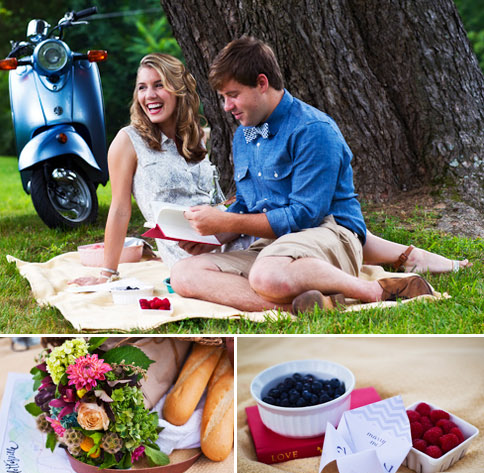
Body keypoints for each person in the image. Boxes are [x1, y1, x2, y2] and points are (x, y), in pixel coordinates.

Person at [170, 36, 467, 313]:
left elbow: (305, 215)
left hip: (329, 233)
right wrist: (216, 232)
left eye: (232, 95)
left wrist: (228, 220)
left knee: (267, 274)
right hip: (274, 248)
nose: (227, 107)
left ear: (262, 83)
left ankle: (374, 291)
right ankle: (305, 305)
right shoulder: (244, 136)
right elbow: (248, 207)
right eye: (223, 98)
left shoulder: (312, 130)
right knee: (184, 273)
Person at [82, 53, 222, 287]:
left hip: (222, 232)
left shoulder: (196, 136)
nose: (149, 95)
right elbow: (119, 210)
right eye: (142, 87)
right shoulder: (128, 141)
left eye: (159, 85)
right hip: (189, 253)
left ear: (179, 90)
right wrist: (106, 274)